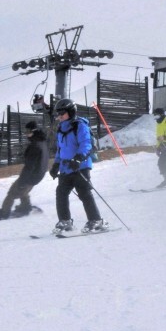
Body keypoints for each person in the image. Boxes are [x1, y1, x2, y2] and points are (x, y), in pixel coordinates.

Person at [48, 99, 107, 234]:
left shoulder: (80, 126)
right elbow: (60, 150)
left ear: (71, 111)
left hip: (80, 166)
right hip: (66, 168)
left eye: (62, 112)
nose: (60, 115)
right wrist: (56, 165)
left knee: (84, 193)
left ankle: (96, 221)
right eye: (58, 113)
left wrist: (78, 158)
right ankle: (65, 221)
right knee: (61, 193)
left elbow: (86, 144)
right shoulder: (61, 128)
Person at [0, 121, 49, 219]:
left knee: (12, 193)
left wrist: (22, 181)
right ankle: (25, 207)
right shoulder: (41, 142)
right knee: (23, 190)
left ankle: (4, 213)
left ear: (34, 131)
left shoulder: (35, 146)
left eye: (28, 131)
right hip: (38, 175)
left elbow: (29, 167)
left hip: (31, 175)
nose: (26, 133)